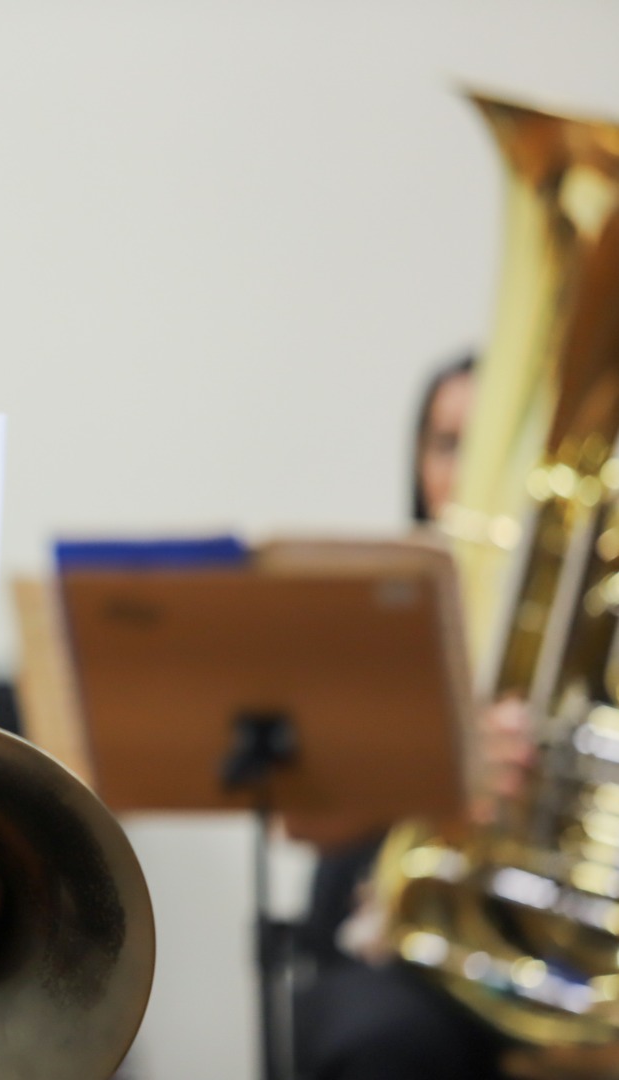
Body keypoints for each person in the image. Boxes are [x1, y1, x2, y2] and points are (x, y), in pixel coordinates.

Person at [293, 353, 521, 1080]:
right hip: (394, 952)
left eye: (496, 443)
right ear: (418, 466)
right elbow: (299, 821)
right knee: (380, 1041)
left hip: (563, 950)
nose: (472, 471)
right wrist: (441, 761)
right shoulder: (375, 619)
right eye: (449, 445)